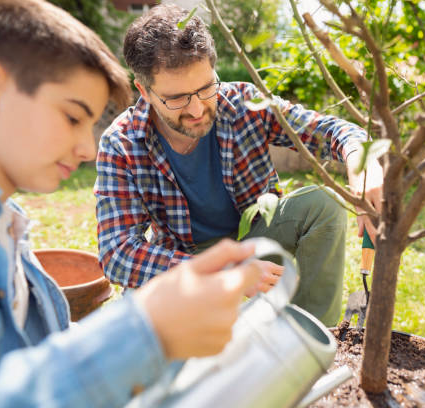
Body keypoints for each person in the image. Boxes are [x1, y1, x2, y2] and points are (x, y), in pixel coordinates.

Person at [0, 0, 267, 405]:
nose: (87, 148)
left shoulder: (10, 230)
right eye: (72, 117)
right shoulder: (123, 144)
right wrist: (144, 331)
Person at [95, 4, 384, 326]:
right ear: (144, 91)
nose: (196, 109)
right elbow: (117, 254)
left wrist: (364, 162)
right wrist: (225, 272)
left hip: (258, 237)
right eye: (176, 98)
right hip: (187, 258)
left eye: (206, 88)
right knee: (142, 312)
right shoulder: (121, 143)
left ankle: (313, 336)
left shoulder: (245, 103)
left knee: (322, 205)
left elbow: (334, 131)